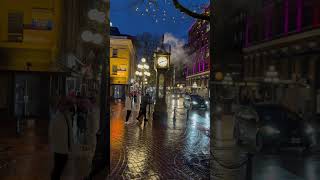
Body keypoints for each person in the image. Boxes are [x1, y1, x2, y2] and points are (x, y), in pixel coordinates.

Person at [49, 97, 74, 180]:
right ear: (59, 106)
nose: (65, 107)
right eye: (63, 105)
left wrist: (70, 145)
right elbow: (52, 133)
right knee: (58, 167)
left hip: (64, 147)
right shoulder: (56, 117)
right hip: (59, 148)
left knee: (60, 167)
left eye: (66, 105)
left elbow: (69, 132)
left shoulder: (66, 116)